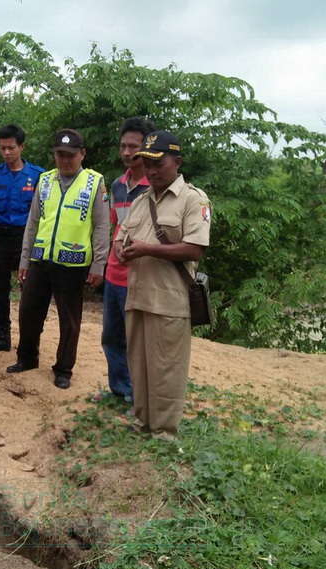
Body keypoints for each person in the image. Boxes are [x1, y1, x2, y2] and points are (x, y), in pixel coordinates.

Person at [115, 131, 212, 440]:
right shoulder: (142, 201)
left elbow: (194, 249)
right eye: (148, 163)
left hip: (170, 300)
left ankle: (164, 432)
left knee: (167, 370)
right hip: (138, 296)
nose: (152, 170)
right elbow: (122, 236)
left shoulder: (193, 199)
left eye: (159, 163)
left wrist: (147, 249)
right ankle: (142, 422)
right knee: (139, 366)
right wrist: (122, 248)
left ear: (177, 162)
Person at [7, 129, 110, 389]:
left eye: (70, 155)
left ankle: (63, 368)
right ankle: (27, 358)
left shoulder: (94, 182)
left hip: (73, 263)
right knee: (29, 311)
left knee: (70, 319)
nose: (65, 160)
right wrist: (24, 259)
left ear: (82, 154)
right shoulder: (44, 180)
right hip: (40, 259)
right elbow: (32, 223)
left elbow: (101, 226)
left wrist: (99, 264)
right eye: (60, 155)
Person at [102, 117, 155, 404]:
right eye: (123, 146)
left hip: (141, 275)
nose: (126, 152)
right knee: (112, 337)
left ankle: (139, 395)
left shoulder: (155, 187)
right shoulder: (117, 186)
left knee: (139, 340)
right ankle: (119, 389)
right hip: (114, 273)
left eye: (132, 146)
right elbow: (114, 226)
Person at [0, 124, 44, 353]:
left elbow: (43, 213)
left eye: (11, 148)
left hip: (26, 238)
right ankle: (2, 337)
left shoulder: (37, 175)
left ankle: (29, 342)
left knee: (31, 291)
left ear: (21, 147)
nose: (6, 153)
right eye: (3, 148)